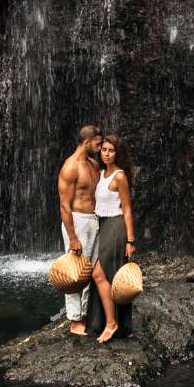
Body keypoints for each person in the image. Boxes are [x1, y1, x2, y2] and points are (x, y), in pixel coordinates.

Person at [85, 134, 136, 343]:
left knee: (99, 273)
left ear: (118, 153)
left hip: (116, 226)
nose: (106, 153)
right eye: (104, 149)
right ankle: (118, 324)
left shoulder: (119, 177)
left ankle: (111, 323)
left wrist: (130, 241)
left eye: (111, 150)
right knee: (109, 275)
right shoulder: (102, 173)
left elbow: (127, 210)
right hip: (103, 226)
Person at [57, 124, 103, 335]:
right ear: (87, 142)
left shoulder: (93, 164)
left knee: (91, 271)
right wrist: (73, 237)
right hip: (78, 222)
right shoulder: (70, 167)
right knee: (75, 272)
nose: (100, 146)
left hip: (94, 220)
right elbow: (64, 205)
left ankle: (85, 315)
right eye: (98, 143)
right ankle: (74, 320)